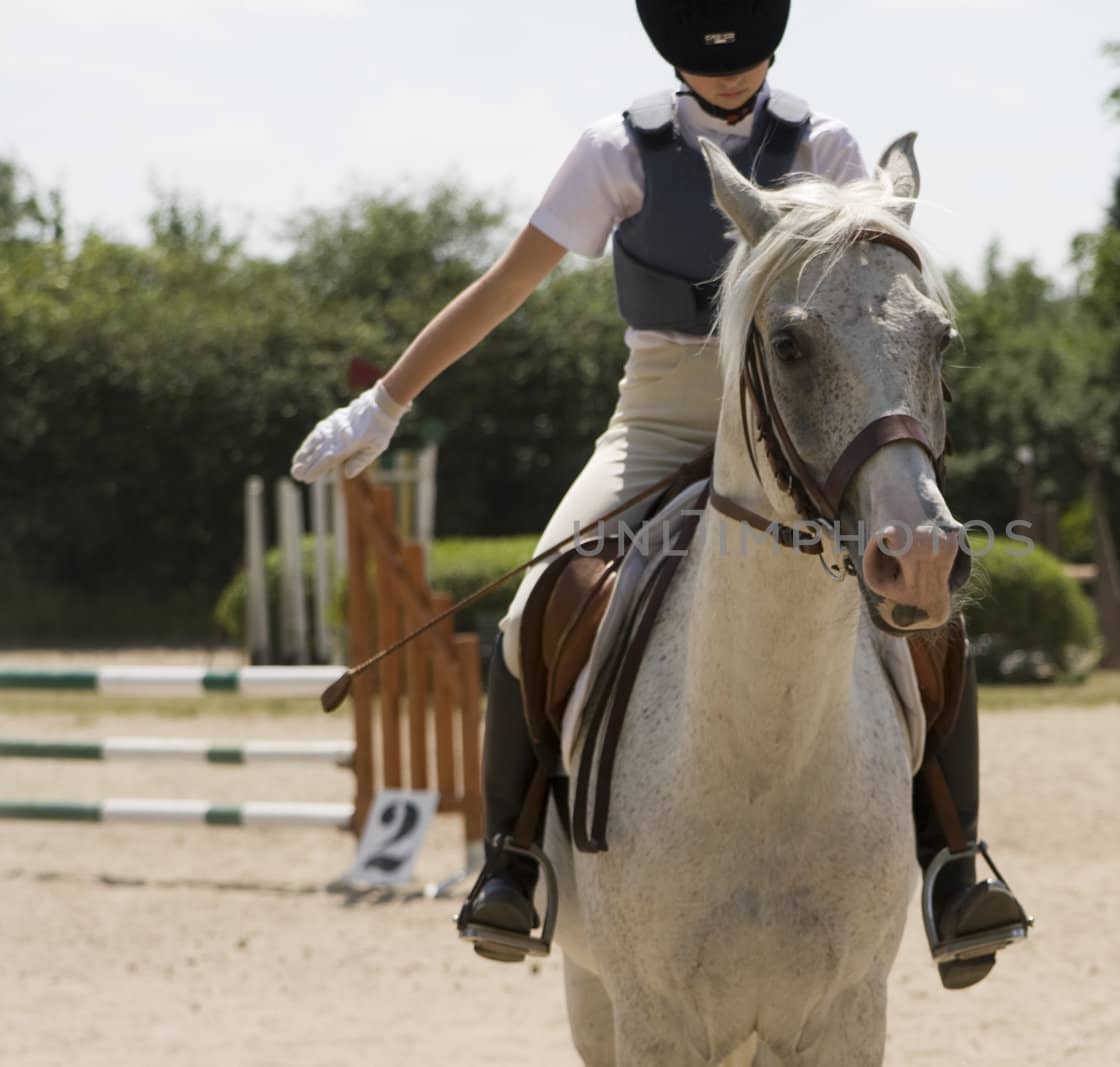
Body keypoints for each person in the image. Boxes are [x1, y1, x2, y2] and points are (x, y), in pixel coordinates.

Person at [290, 0, 1028, 990]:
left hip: (806, 411)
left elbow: (874, 297)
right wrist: (388, 399)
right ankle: (513, 861)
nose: (726, 79)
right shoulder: (615, 152)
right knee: (530, 606)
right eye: (703, 64)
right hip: (662, 416)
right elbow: (507, 283)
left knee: (926, 595)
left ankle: (951, 865)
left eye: (745, 61)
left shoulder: (828, 144)